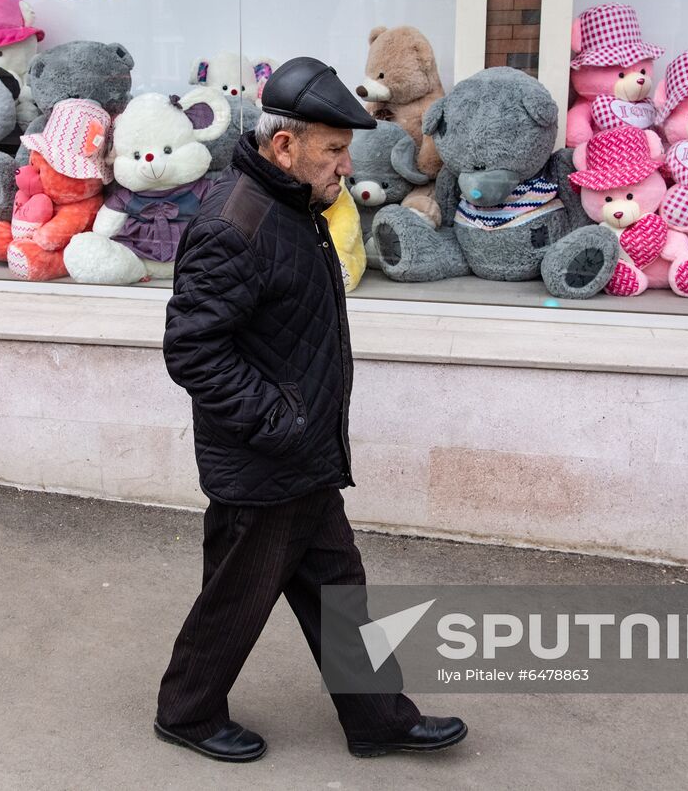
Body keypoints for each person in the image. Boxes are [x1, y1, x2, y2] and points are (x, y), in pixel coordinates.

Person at [155, 57, 467, 762]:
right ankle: (187, 711)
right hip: (266, 458)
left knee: (336, 589)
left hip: (303, 454)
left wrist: (303, 428)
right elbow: (194, 351)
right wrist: (281, 422)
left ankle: (378, 718)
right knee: (237, 598)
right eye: (332, 150)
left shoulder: (293, 208)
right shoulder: (234, 223)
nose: (343, 164)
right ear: (284, 145)